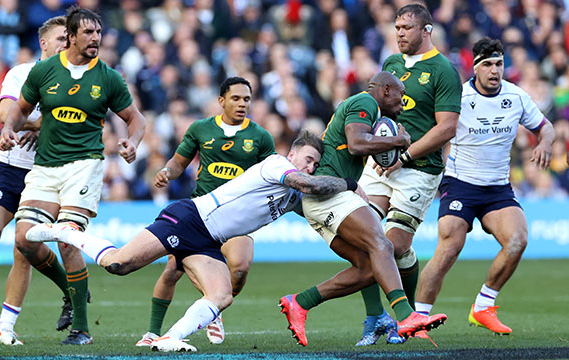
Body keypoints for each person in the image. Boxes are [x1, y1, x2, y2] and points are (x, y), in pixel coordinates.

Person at [26, 130, 359, 352]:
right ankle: (66, 232)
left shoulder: (292, 197)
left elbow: (319, 211)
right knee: (118, 264)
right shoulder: (278, 166)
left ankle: (171, 338)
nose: (311, 167)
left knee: (223, 294)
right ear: (293, 153)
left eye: (316, 163)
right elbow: (311, 186)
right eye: (308, 159)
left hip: (208, 241)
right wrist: (348, 183)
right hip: (189, 219)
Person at [294, 4, 462, 346]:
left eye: (406, 27)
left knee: (396, 247)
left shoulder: (443, 70)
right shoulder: (391, 66)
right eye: (396, 27)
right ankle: (377, 318)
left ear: (426, 30)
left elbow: (448, 127)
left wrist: (405, 154)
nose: (398, 33)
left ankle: (408, 313)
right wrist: (382, 149)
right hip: (378, 163)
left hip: (418, 169)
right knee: (370, 238)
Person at [0, 6, 146, 345]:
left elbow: (136, 119)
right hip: (46, 166)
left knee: (67, 238)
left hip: (85, 165)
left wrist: (132, 142)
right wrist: (8, 129)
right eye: (89, 33)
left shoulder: (108, 77)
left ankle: (82, 329)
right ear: (72, 37)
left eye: (99, 33)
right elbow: (19, 110)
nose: (96, 39)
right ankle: (71, 288)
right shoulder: (45, 71)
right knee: (24, 240)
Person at [279, 71, 447, 348]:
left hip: (322, 203)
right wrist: (399, 142)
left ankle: (300, 302)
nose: (403, 104)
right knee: (381, 244)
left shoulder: (369, 110)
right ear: (385, 90)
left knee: (369, 267)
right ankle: (405, 316)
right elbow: (357, 145)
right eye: (400, 96)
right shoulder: (365, 103)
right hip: (331, 193)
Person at [414, 38, 554, 335]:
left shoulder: (516, 96)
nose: (495, 70)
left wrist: (546, 142)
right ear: (475, 67)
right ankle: (418, 318)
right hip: (461, 184)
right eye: (488, 64)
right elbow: (433, 130)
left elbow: (546, 126)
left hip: (497, 189)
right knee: (449, 247)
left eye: (499, 64)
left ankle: (483, 305)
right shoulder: (459, 97)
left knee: (517, 240)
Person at [137, 76, 275, 347]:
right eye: (235, 98)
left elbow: (271, 175)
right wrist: (167, 172)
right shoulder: (201, 129)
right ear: (221, 101)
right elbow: (178, 162)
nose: (242, 104)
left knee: (241, 269)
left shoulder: (260, 137)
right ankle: (152, 333)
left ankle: (213, 308)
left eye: (247, 99)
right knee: (171, 271)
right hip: (201, 213)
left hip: (238, 217)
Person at [0, 16, 73, 345]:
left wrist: (35, 124)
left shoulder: (76, 83)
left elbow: (77, 127)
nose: (66, 45)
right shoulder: (21, 74)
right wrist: (48, 122)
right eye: (60, 39)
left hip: (45, 173)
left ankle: (6, 330)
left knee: (23, 248)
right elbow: (4, 116)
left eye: (70, 40)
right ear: (43, 43)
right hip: (9, 167)